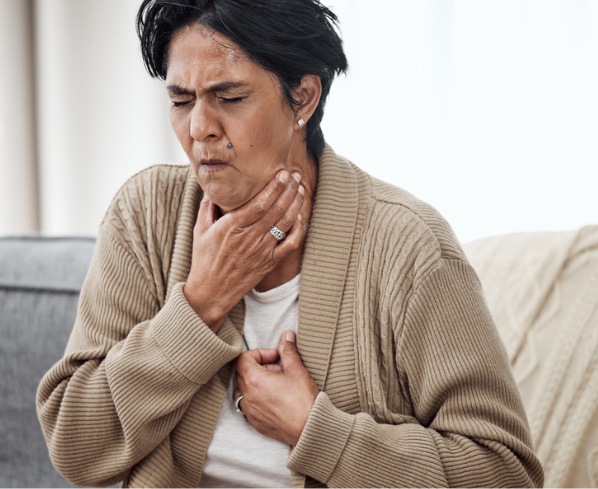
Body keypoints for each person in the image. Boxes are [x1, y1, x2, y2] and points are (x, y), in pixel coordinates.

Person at [37, 0, 544, 487]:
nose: (198, 129)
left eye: (230, 98)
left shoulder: (408, 247)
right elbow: (76, 447)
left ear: (303, 97)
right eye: (180, 100)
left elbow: (503, 473)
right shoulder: (146, 215)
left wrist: (317, 432)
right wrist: (198, 306)